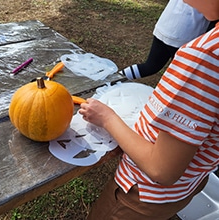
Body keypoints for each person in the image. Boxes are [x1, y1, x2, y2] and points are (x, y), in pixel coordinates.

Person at [79, 0, 219, 218]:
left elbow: (161, 170)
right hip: (188, 184)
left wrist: (107, 118)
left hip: (143, 194)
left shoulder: (203, 59)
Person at [119, 0, 213, 80]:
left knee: (150, 66)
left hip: (165, 25)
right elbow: (213, 15)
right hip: (185, 34)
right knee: (179, 76)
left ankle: (111, 80)